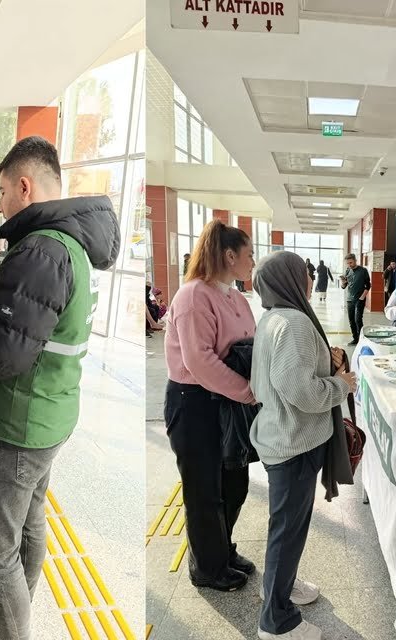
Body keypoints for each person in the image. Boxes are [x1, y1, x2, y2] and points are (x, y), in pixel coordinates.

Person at [0, 136, 119, 638]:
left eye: (2, 191)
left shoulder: (41, 250)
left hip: (17, 422)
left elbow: (2, 355)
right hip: (49, 414)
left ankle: (12, 622)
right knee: (31, 518)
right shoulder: (74, 247)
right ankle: (9, 609)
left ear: (25, 186)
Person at [249, 251, 356, 640]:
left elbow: (287, 375)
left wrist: (327, 362)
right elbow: (301, 391)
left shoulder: (274, 317)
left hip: (283, 437)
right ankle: (275, 622)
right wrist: (341, 385)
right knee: (287, 530)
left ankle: (280, 584)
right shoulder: (294, 323)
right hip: (293, 443)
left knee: (288, 526)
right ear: (291, 281)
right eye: (304, 274)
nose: (310, 279)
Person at [160, 219, 258, 595]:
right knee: (204, 492)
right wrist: (249, 392)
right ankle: (207, 567)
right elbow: (199, 362)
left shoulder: (235, 296)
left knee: (234, 483)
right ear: (229, 255)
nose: (252, 262)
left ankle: (223, 551)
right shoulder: (193, 296)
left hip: (227, 404)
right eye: (248, 255)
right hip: (195, 404)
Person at [341, 254, 370, 345]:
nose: (349, 265)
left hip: (360, 299)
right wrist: (343, 282)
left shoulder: (363, 270)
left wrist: (362, 297)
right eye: (348, 263)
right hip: (350, 299)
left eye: (351, 262)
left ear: (355, 260)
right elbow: (344, 287)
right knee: (351, 320)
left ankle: (362, 339)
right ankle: (355, 339)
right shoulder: (347, 271)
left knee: (358, 319)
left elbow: (368, 285)